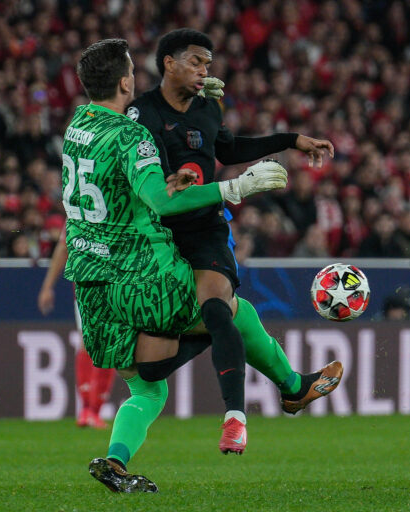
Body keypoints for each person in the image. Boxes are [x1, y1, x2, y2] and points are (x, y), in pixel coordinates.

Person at [64, 39, 337, 493]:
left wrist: (172, 173)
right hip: (140, 280)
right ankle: (287, 387)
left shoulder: (78, 125)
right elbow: (160, 204)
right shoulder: (133, 134)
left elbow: (124, 187)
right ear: (127, 80)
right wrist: (234, 188)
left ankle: (114, 461)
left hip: (91, 286)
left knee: (147, 391)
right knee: (227, 311)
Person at [127, 28, 337, 447]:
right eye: (197, 61)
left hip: (206, 230)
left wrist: (292, 140)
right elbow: (146, 173)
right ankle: (293, 387)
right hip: (157, 236)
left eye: (208, 63)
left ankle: (236, 419)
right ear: (168, 62)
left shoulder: (207, 109)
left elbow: (230, 149)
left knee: (218, 308)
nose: (206, 70)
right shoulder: (142, 113)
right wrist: (174, 179)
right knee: (199, 331)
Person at [38, 233, 115, 429]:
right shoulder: (116, 205)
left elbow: (63, 247)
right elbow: (63, 247)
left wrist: (48, 286)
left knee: (89, 343)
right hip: (109, 281)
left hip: (87, 281)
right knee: (106, 344)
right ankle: (92, 410)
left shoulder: (77, 206)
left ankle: (88, 410)